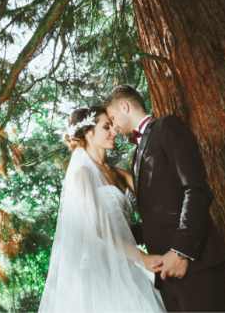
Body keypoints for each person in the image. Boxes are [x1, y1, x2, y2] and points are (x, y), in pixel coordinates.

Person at [104, 85, 225, 313]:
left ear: (124, 106)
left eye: (112, 119)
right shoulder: (137, 154)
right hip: (165, 273)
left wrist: (181, 252)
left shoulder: (167, 126)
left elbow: (196, 190)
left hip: (195, 264)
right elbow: (158, 215)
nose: (113, 127)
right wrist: (109, 236)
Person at [38, 106, 166, 313]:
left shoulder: (119, 174)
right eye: (107, 127)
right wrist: (142, 258)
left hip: (126, 269)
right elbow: (98, 227)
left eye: (113, 126)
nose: (114, 131)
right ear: (89, 133)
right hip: (97, 276)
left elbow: (156, 201)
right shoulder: (82, 172)